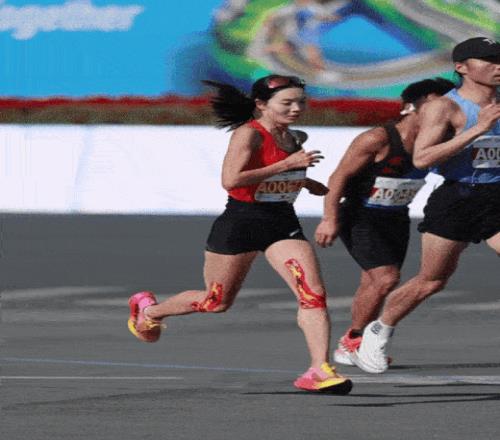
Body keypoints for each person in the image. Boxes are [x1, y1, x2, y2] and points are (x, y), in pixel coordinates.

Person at [127, 74, 353, 394]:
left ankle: (318, 368)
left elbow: (277, 173)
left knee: (312, 293)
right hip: (241, 224)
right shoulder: (248, 134)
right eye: (287, 103)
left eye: (301, 102)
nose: (296, 108)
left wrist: (303, 181)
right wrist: (287, 165)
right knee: (215, 302)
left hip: (282, 224)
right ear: (261, 104)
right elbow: (231, 180)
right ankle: (149, 311)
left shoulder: (294, 137)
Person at [350, 37, 500, 374]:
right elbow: (422, 157)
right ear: (462, 67)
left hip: (496, 197)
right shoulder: (444, 108)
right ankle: (379, 329)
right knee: (431, 281)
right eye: (490, 60)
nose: (498, 66)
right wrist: (479, 128)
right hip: (458, 199)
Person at [314, 78, 455, 366]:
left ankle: (352, 343)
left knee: (373, 282)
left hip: (396, 217)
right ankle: (355, 340)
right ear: (411, 107)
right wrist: (329, 218)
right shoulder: (377, 139)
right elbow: (338, 177)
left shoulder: (437, 141)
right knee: (386, 278)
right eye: (436, 105)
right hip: (360, 215)